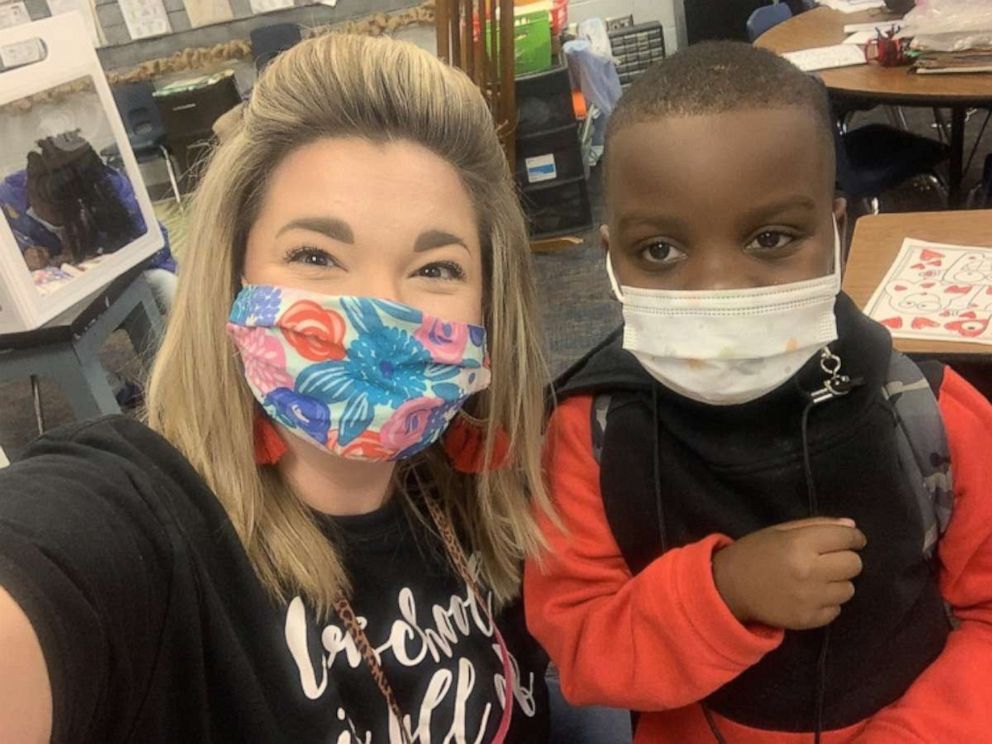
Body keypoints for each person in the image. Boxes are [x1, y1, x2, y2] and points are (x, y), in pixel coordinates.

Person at [0, 33, 552, 743]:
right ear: (233, 281)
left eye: (435, 269)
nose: (378, 314)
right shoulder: (147, 526)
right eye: (316, 255)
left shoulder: (477, 491)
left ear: (488, 304)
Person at [525, 42, 992, 743]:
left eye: (771, 238)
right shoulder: (589, 433)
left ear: (836, 232)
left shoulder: (923, 410)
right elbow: (582, 649)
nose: (719, 287)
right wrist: (723, 592)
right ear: (611, 257)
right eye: (660, 251)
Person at [0, 131, 178, 312]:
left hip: (114, 283)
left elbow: (158, 248)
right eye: (40, 206)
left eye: (59, 214)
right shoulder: (8, 199)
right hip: (53, 301)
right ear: (29, 190)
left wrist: (104, 259)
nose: (48, 217)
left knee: (167, 284)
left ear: (79, 202)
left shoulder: (110, 189)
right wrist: (22, 258)